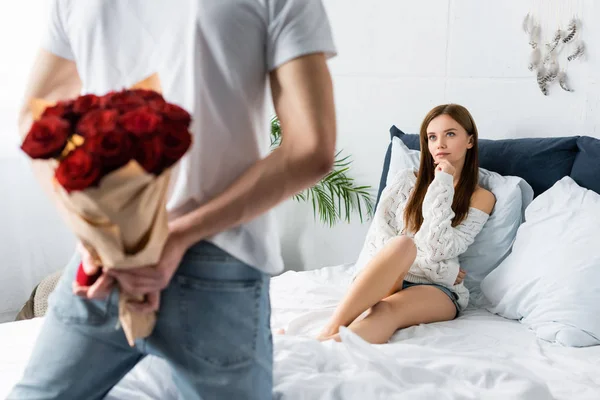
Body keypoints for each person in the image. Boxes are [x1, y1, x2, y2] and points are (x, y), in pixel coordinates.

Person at [10, 0, 336, 399]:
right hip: (217, 260)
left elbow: (34, 119)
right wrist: (176, 237)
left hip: (106, 260)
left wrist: (93, 232)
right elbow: (311, 148)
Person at [316, 104, 495, 344]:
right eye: (432, 137)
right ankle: (326, 334)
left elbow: (438, 248)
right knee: (402, 244)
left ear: (470, 140)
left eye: (450, 134)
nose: (439, 144)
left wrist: (442, 182)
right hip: (393, 273)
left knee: (385, 311)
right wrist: (445, 271)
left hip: (437, 289)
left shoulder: (481, 197)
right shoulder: (405, 182)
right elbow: (380, 242)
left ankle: (325, 350)